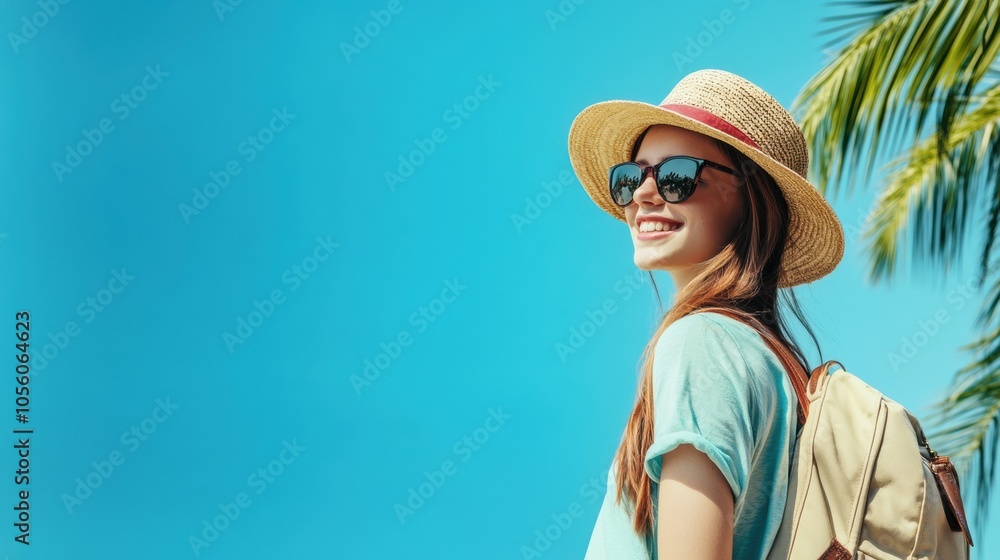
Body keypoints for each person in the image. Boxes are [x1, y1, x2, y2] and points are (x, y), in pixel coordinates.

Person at [566, 69, 845, 559]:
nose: (644, 195)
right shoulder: (774, 364)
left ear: (753, 200)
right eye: (631, 178)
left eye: (677, 177)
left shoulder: (703, 343)